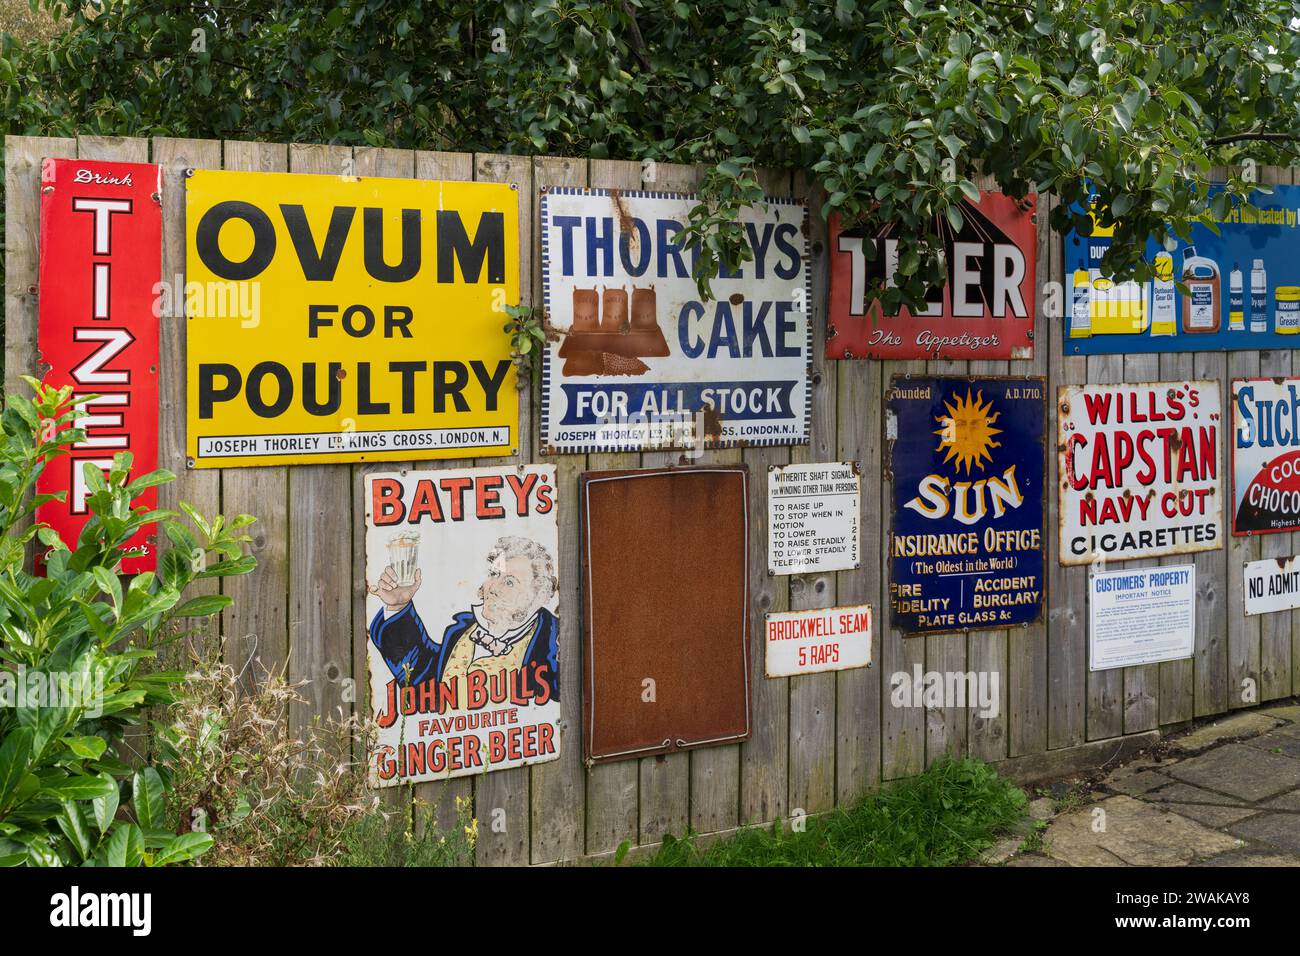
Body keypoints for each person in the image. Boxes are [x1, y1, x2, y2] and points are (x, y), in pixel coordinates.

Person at [368, 535, 559, 704]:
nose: (493, 587)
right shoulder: (461, 631)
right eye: (494, 574)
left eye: (509, 582)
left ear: (538, 595)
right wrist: (398, 606)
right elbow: (421, 677)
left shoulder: (554, 642)